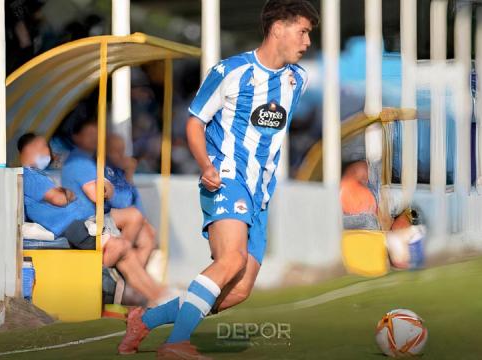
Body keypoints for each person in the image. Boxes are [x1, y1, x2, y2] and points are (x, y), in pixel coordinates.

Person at [117, 1, 319, 358]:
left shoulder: (296, 79)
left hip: (260, 192)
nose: (306, 42)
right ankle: (176, 344)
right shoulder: (230, 71)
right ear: (277, 29)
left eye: (309, 34)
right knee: (232, 259)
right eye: (302, 31)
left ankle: (145, 320)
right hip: (225, 178)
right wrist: (206, 165)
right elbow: (195, 121)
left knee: (238, 290)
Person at [18, 133, 163, 303]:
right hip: (70, 227)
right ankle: (100, 280)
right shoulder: (30, 176)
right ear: (30, 148)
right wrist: (66, 194)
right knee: (122, 247)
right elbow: (58, 199)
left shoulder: (39, 175)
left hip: (78, 224)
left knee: (127, 253)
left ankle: (158, 297)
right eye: (43, 146)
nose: (47, 151)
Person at [107, 133, 157, 267]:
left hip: (127, 218)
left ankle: (130, 279)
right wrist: (129, 174)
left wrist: (144, 220)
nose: (120, 155)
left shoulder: (119, 171)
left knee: (149, 237)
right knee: (136, 220)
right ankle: (122, 269)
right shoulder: (104, 169)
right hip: (109, 218)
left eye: (122, 151)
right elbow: (119, 202)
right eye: (115, 151)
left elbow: (135, 199)